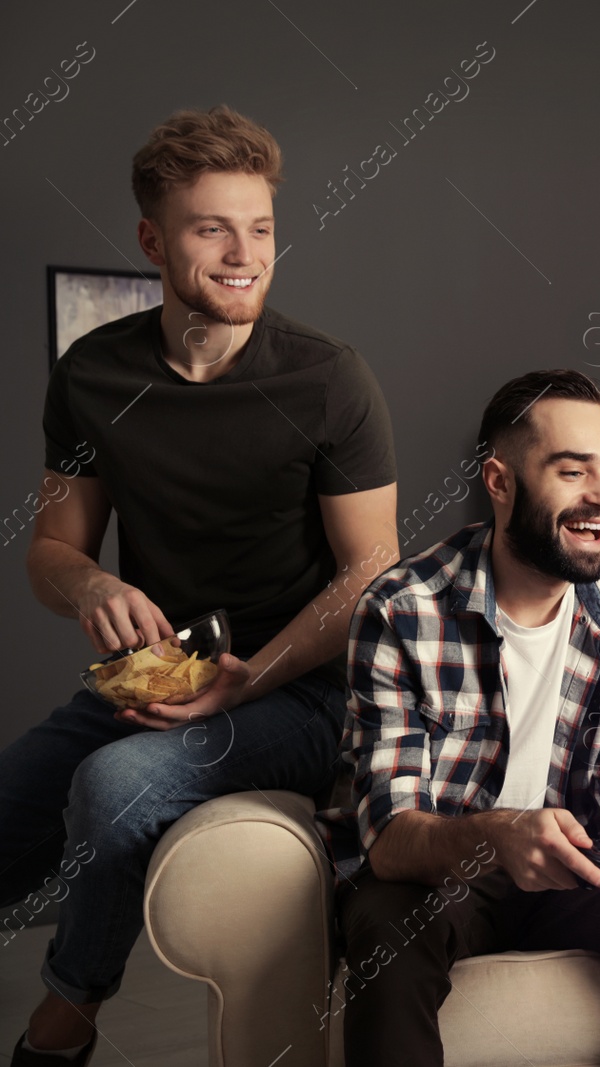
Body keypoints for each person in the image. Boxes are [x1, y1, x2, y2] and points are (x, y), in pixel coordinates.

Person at [0, 106, 399, 1066]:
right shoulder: (93, 374)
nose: (243, 252)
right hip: (162, 674)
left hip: (304, 691)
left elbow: (371, 573)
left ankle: (65, 1017)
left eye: (259, 227)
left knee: (114, 784)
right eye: (210, 227)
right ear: (152, 239)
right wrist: (90, 581)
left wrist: (251, 675)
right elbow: (50, 545)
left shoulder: (330, 379)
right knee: (10, 804)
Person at [317, 370, 600, 1067]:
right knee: (385, 918)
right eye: (572, 471)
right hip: (442, 872)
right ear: (500, 480)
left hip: (580, 868)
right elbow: (388, 840)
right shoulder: (402, 607)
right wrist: (498, 835)